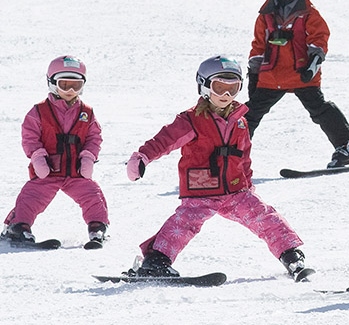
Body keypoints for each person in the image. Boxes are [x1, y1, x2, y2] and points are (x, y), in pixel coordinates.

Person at [124, 56, 310, 281]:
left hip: (235, 191)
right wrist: (142, 157)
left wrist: (248, 184)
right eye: (219, 88)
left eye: (233, 89)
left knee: (265, 217)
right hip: (202, 188)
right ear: (204, 85)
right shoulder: (191, 120)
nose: (226, 96)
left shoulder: (240, 121)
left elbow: (244, 157)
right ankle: (156, 262)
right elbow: (165, 140)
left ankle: (291, 256)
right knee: (184, 224)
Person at [245, 0, 349, 169]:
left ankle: (347, 148)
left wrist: (313, 65)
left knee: (320, 110)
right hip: (272, 76)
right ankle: (233, 152)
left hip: (301, 74)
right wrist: (254, 73)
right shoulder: (265, 15)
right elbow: (258, 45)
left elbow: (319, 39)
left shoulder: (308, 13)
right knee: (249, 114)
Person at [1, 55, 109, 248]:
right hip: (48, 171)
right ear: (51, 83)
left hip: (76, 171)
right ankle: (17, 227)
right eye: (64, 84)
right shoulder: (39, 111)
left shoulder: (87, 113)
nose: (70, 91)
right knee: (31, 197)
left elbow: (95, 137)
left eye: (76, 85)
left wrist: (88, 157)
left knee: (92, 195)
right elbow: (30, 136)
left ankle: (97, 227)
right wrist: (37, 156)